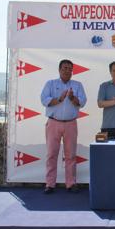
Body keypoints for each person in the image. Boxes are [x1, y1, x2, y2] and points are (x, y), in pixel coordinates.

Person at [40, 59, 87, 194]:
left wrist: (72, 98)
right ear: (59, 70)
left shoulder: (77, 85)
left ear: (72, 71)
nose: (67, 71)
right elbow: (44, 100)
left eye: (69, 69)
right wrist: (60, 99)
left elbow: (82, 102)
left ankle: (71, 183)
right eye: (64, 68)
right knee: (51, 154)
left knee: (71, 155)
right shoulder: (50, 84)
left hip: (71, 123)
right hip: (53, 122)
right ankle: (50, 184)